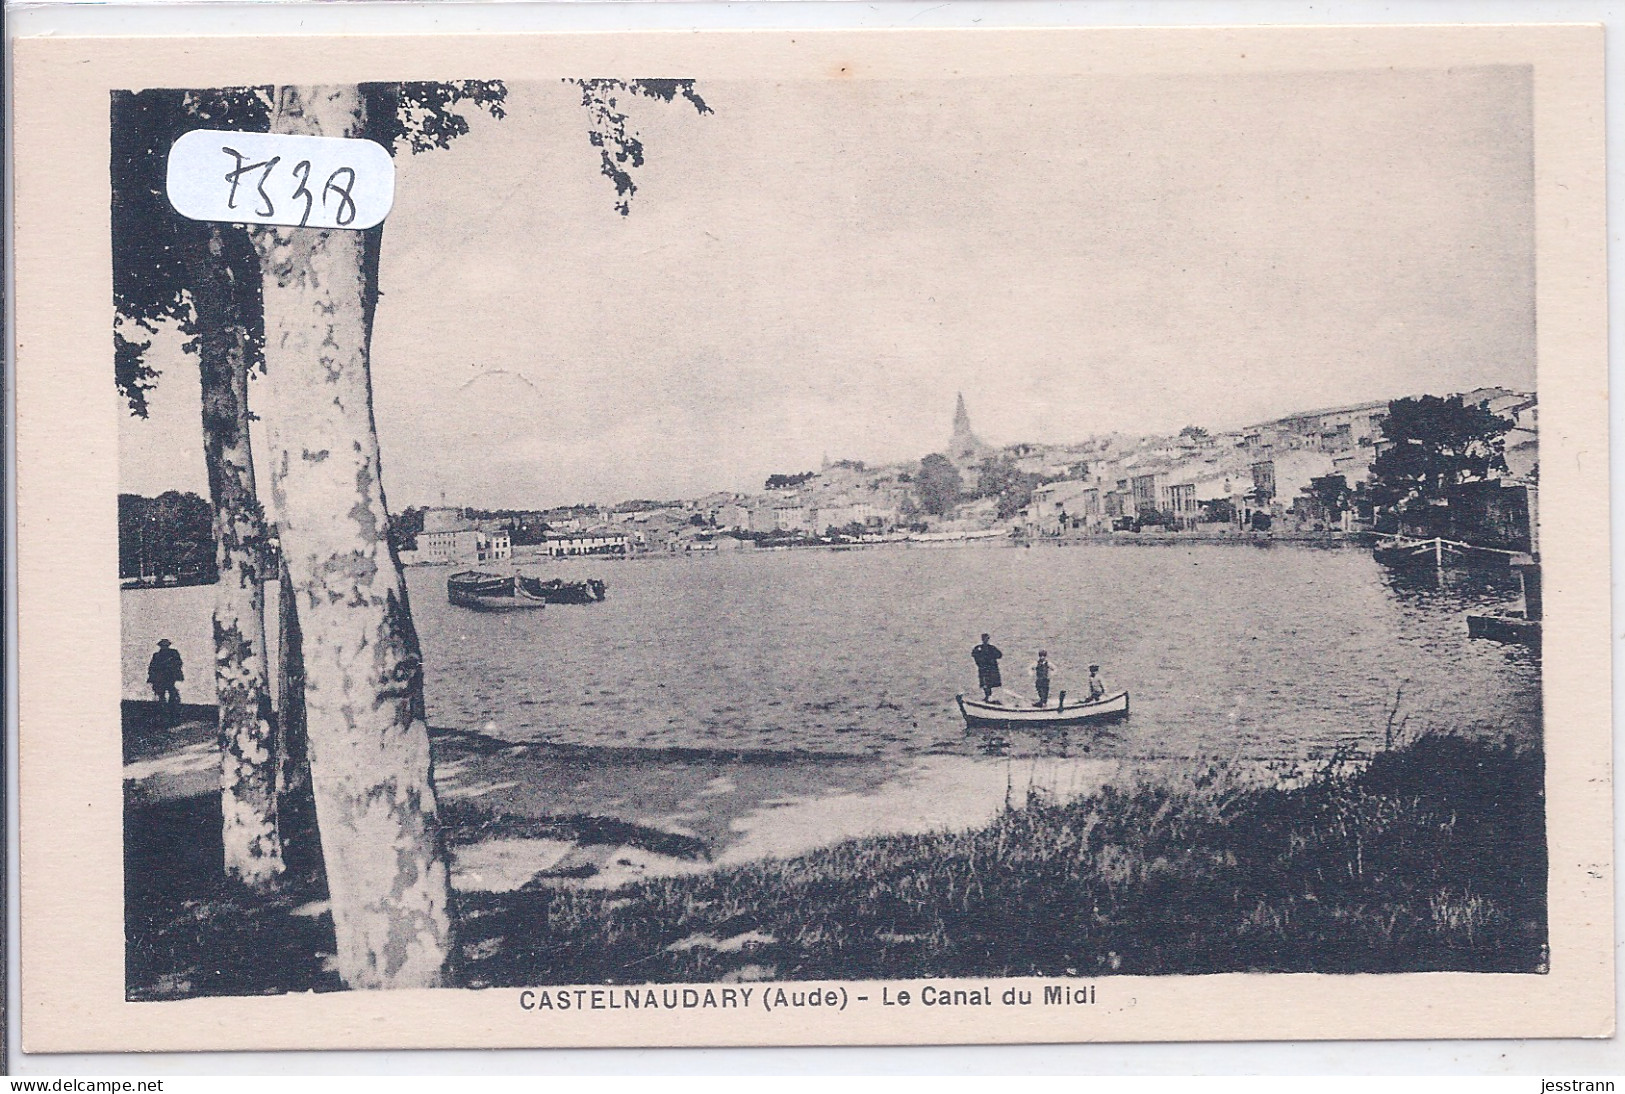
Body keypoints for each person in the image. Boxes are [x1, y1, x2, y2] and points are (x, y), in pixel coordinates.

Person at [147, 639, 184, 704]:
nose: (164, 647)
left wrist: (172, 668)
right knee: (161, 690)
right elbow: (152, 665)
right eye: (162, 645)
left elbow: (178, 663)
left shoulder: (173, 653)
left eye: (165, 645)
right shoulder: (157, 655)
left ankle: (173, 702)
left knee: (170, 688)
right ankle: (162, 703)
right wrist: (152, 675)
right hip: (160, 675)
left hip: (170, 674)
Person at [971, 633, 1003, 701]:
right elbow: (974, 655)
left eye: (986, 638)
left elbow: (999, 655)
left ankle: (990, 698)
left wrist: (991, 658)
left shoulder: (991, 648)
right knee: (985, 684)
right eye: (984, 638)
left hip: (991, 669)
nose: (985, 640)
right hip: (983, 669)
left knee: (991, 683)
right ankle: (987, 697)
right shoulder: (978, 648)